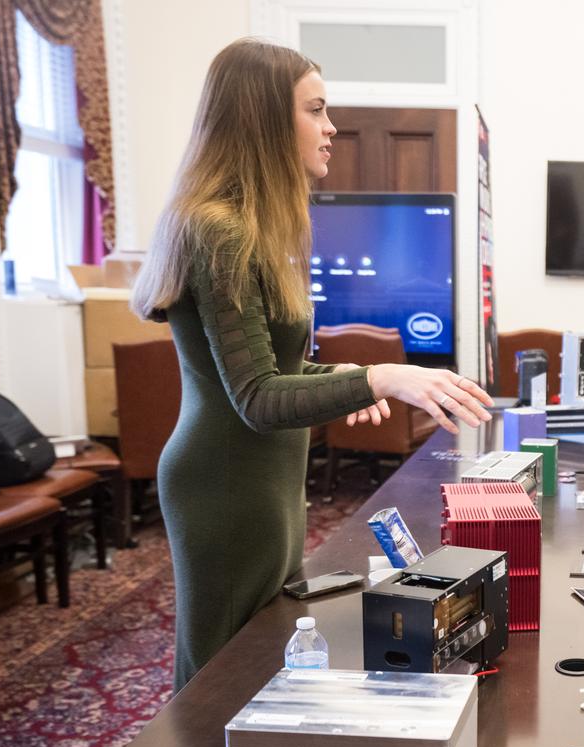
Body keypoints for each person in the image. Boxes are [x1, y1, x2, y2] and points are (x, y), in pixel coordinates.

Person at [130, 39, 494, 690]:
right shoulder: (218, 229)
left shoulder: (253, 225)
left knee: (257, 656)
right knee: (215, 678)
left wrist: (352, 382)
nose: (331, 128)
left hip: (263, 479)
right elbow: (257, 396)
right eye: (316, 110)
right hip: (225, 484)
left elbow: (281, 367)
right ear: (266, 118)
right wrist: (380, 376)